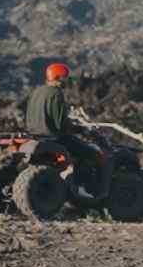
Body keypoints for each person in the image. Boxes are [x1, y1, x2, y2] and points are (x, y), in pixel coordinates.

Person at [23, 62, 107, 191]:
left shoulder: (36, 92)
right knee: (92, 154)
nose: (67, 81)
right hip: (53, 137)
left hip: (34, 135)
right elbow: (60, 124)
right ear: (58, 78)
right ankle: (87, 189)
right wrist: (79, 129)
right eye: (65, 78)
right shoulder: (56, 93)